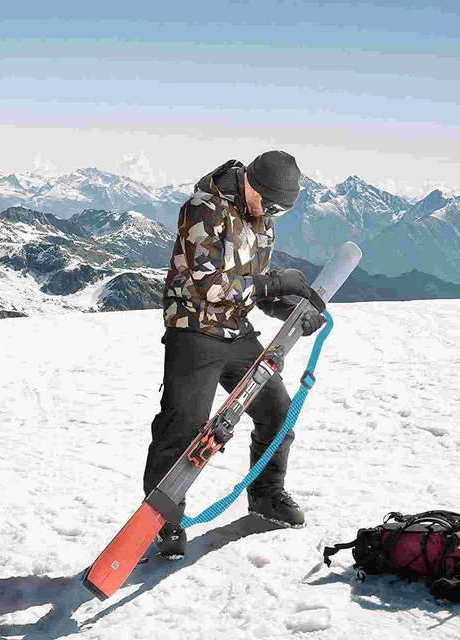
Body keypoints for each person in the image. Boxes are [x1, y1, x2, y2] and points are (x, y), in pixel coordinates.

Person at [143, 150, 325, 558]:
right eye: (271, 203)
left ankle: (266, 495)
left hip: (236, 330)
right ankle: (162, 523)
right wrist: (274, 282)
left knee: (277, 411)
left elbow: (254, 291)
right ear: (252, 183)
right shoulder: (202, 209)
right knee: (183, 425)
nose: (272, 213)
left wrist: (292, 309)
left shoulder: (264, 221)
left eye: (280, 209)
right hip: (194, 329)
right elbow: (212, 287)